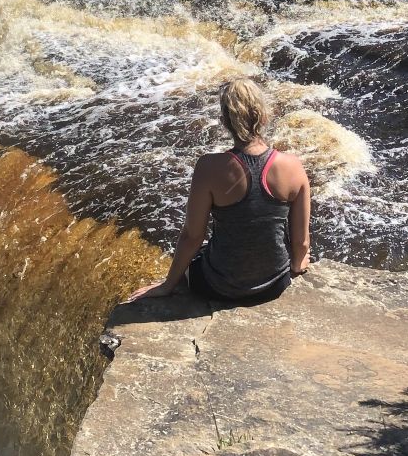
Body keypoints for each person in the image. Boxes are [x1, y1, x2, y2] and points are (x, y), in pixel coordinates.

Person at [128, 76, 310, 303]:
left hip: (218, 286)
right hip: (274, 285)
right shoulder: (293, 166)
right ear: (264, 116)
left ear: (225, 121)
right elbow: (301, 243)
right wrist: (298, 264)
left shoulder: (208, 167)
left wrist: (168, 284)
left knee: (194, 265)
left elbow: (192, 237)